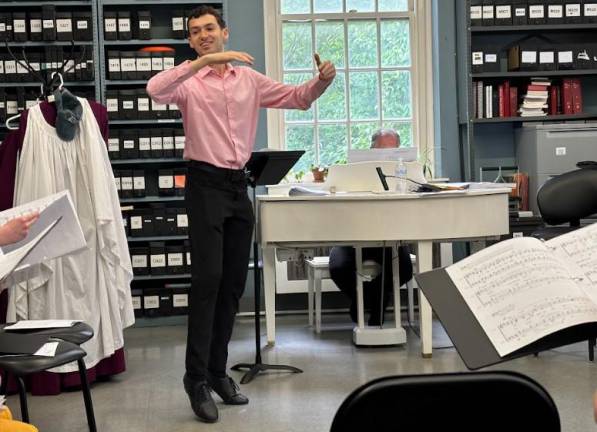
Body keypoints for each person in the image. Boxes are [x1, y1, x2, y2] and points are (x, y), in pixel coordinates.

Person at [146, 6, 335, 423]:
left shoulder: (249, 80)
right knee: (208, 282)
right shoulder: (188, 80)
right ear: (192, 41)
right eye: (195, 33)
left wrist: (323, 81)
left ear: (224, 32)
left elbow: (297, 98)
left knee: (233, 284)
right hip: (203, 185)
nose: (203, 35)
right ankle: (194, 378)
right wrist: (204, 64)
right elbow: (154, 89)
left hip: (237, 185)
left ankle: (217, 372)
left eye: (209, 29)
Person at [328, 129, 413, 327]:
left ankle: (366, 304)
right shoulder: (353, 171)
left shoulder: (405, 173)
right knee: (339, 267)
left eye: (392, 151)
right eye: (380, 151)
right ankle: (376, 303)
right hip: (353, 236)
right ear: (371, 149)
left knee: (405, 268)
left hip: (390, 237)